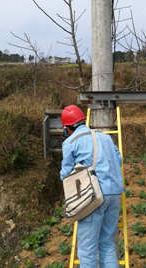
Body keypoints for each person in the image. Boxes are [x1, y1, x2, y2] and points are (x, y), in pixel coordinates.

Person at [60, 105, 125, 268]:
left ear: (67, 128)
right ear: (82, 121)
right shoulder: (104, 137)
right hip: (114, 194)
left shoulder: (70, 142)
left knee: (87, 250)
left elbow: (65, 175)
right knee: (107, 243)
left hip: (93, 198)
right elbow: (119, 160)